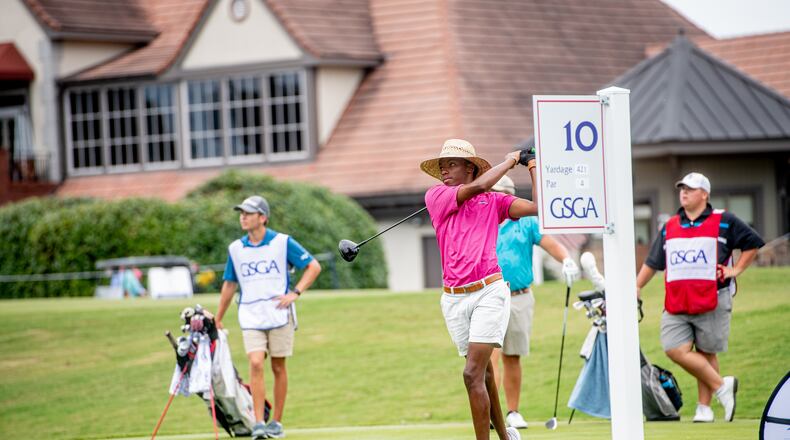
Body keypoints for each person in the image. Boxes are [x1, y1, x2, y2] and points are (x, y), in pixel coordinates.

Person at [421, 139, 538, 440]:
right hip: (453, 298)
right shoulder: (437, 196)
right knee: (483, 374)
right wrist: (510, 161)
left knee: (471, 373)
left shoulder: (495, 203)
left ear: (470, 167)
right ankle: (504, 434)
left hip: (489, 291)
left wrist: (532, 166)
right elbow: (477, 188)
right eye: (442, 166)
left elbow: (539, 208)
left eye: (452, 164)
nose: (444, 171)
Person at [635, 172, 764, 423]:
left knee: (706, 352)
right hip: (677, 300)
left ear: (704, 194)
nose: (684, 192)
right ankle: (721, 386)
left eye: (690, 189)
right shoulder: (671, 225)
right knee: (674, 348)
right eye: (682, 188)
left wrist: (734, 270)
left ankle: (704, 409)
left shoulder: (724, 220)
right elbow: (653, 261)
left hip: (713, 297)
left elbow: (752, 243)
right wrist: (637, 285)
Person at [215, 195, 322, 439]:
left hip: (279, 314)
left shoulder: (283, 242)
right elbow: (230, 285)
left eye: (249, 213)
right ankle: (259, 422)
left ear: (262, 217)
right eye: (241, 212)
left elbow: (313, 266)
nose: (243, 217)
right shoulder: (236, 248)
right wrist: (218, 317)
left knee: (277, 366)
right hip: (250, 315)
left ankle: (276, 422)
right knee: (255, 362)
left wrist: (295, 293)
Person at [488, 175, 580, 429]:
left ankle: (512, 412)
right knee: (490, 357)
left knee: (512, 356)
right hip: (490, 296)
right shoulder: (484, 219)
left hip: (519, 296)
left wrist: (567, 260)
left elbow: (549, 243)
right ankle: (491, 413)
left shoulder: (526, 221)